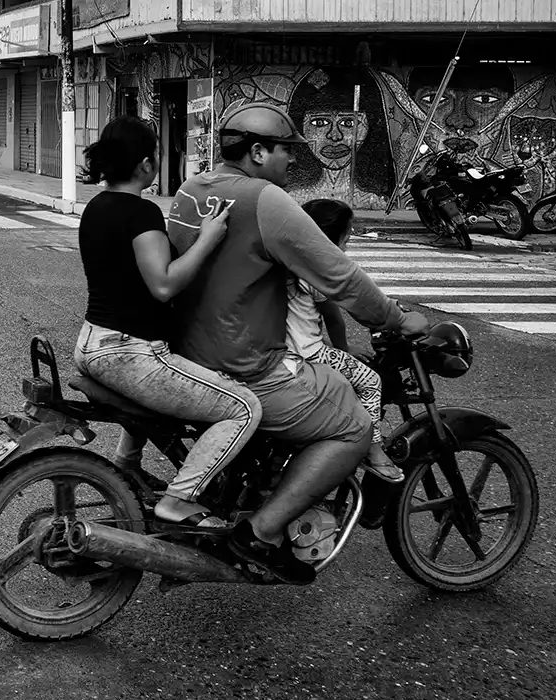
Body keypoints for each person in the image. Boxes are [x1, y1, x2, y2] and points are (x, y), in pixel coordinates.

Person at [168, 102, 426, 583]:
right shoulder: (266, 200)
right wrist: (396, 318)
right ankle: (261, 534)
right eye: (286, 150)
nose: (292, 160)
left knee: (328, 382)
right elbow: (339, 277)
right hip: (243, 363)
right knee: (353, 427)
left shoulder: (191, 190)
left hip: (189, 353)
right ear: (259, 151)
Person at [75, 117, 256, 529]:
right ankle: (179, 500)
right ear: (144, 164)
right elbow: (163, 285)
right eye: (154, 154)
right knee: (244, 408)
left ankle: (127, 465)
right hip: (130, 353)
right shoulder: (140, 213)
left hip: (93, 342)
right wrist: (209, 238)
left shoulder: (96, 207)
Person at [289, 199, 403, 483]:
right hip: (310, 354)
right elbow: (335, 315)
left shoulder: (291, 258)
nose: (350, 236)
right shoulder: (319, 266)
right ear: (334, 235)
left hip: (285, 350)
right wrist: (344, 348)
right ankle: (373, 450)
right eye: (348, 231)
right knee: (370, 380)